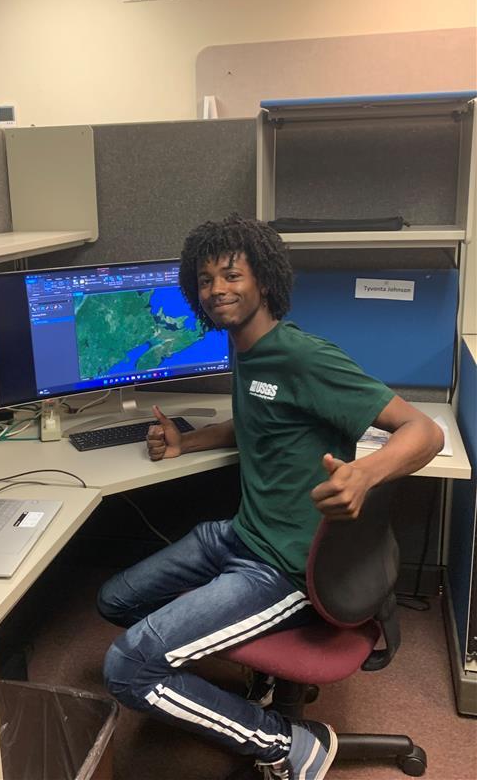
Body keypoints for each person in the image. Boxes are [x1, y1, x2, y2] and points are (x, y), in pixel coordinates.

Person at [97, 213, 443, 780]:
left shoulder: (303, 356)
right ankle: (235, 655)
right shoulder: (248, 351)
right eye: (205, 281)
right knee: (114, 601)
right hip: (237, 535)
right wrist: (189, 441)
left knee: (127, 668)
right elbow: (258, 420)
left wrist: (366, 474)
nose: (217, 290)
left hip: (284, 565)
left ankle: (285, 741)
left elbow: (424, 432)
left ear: (263, 279)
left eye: (231, 275)